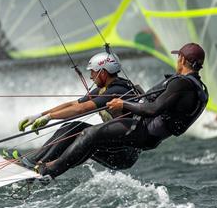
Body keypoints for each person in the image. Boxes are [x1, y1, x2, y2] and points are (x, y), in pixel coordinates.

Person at [35, 43, 208, 179]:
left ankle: (49, 170)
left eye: (178, 57)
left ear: (182, 60)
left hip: (143, 131)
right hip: (145, 133)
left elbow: (153, 109)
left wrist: (123, 104)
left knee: (88, 134)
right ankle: (39, 163)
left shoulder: (182, 84)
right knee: (80, 132)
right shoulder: (198, 88)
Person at [6, 51, 143, 170]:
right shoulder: (105, 89)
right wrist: (40, 115)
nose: (91, 77)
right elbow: (74, 104)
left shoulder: (117, 91)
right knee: (69, 127)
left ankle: (36, 163)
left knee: (77, 129)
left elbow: (81, 109)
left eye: (93, 72)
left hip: (123, 154)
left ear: (103, 73)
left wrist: (50, 118)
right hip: (115, 146)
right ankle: (36, 161)